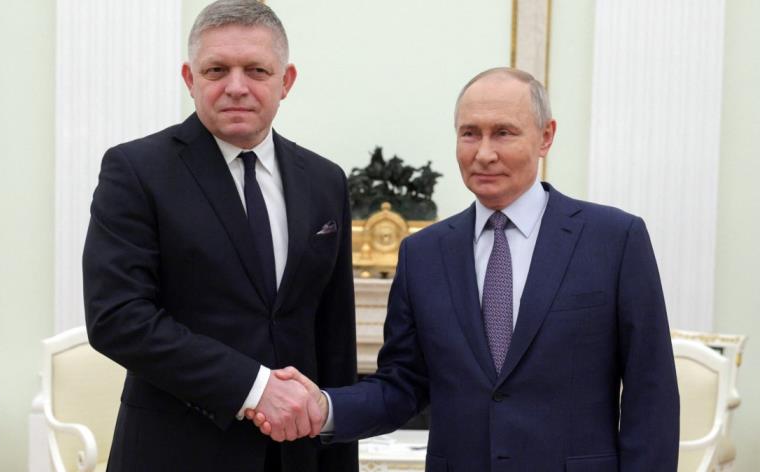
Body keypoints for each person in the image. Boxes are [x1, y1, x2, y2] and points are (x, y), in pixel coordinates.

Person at [249, 67, 680, 471]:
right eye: (470, 134)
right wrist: (324, 408)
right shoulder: (422, 254)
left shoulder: (614, 239)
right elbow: (403, 385)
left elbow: (652, 393)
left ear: (546, 137)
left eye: (504, 133)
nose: (484, 153)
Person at [82, 1, 358, 470]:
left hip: (296, 456)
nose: (236, 87)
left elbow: (334, 337)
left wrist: (337, 451)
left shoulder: (325, 180)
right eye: (216, 70)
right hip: (175, 452)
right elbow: (118, 317)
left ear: (285, 81)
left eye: (255, 70)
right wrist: (254, 387)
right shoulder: (136, 171)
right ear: (190, 79)